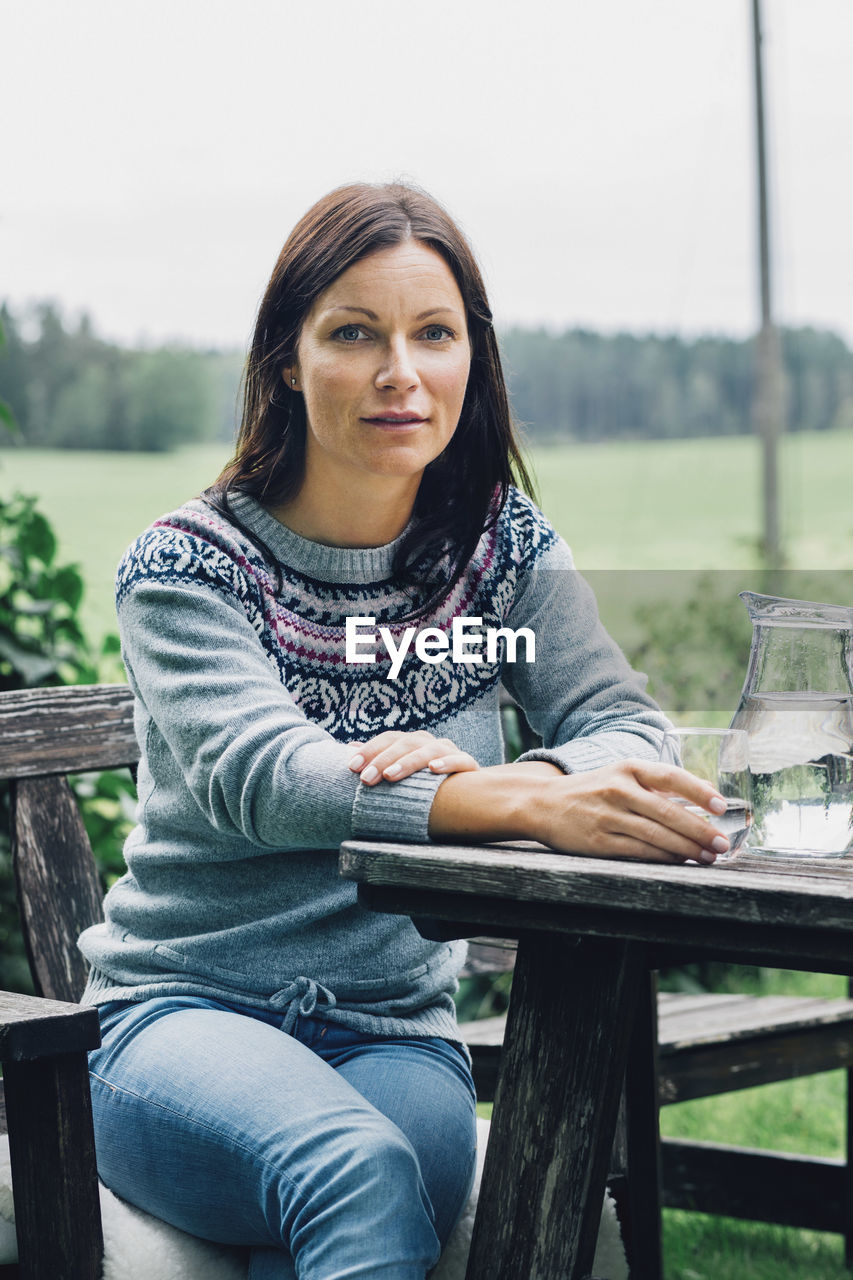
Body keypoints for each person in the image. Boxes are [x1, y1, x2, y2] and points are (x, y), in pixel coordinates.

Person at [79, 181, 730, 1280]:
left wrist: (531, 770)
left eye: (433, 333)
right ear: (284, 359)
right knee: (349, 1168)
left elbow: (623, 722)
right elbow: (263, 779)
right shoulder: (184, 566)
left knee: (361, 1178)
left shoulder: (501, 550)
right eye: (352, 333)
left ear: (472, 356)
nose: (401, 372)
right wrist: (488, 794)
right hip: (177, 1018)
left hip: (394, 1034)